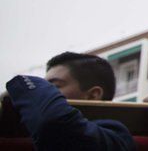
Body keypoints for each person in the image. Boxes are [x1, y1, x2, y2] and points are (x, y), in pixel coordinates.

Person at [5, 52, 135, 150]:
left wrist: (23, 84)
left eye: (53, 87)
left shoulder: (117, 135)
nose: (44, 94)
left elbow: (53, 122)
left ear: (93, 95)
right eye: (45, 89)